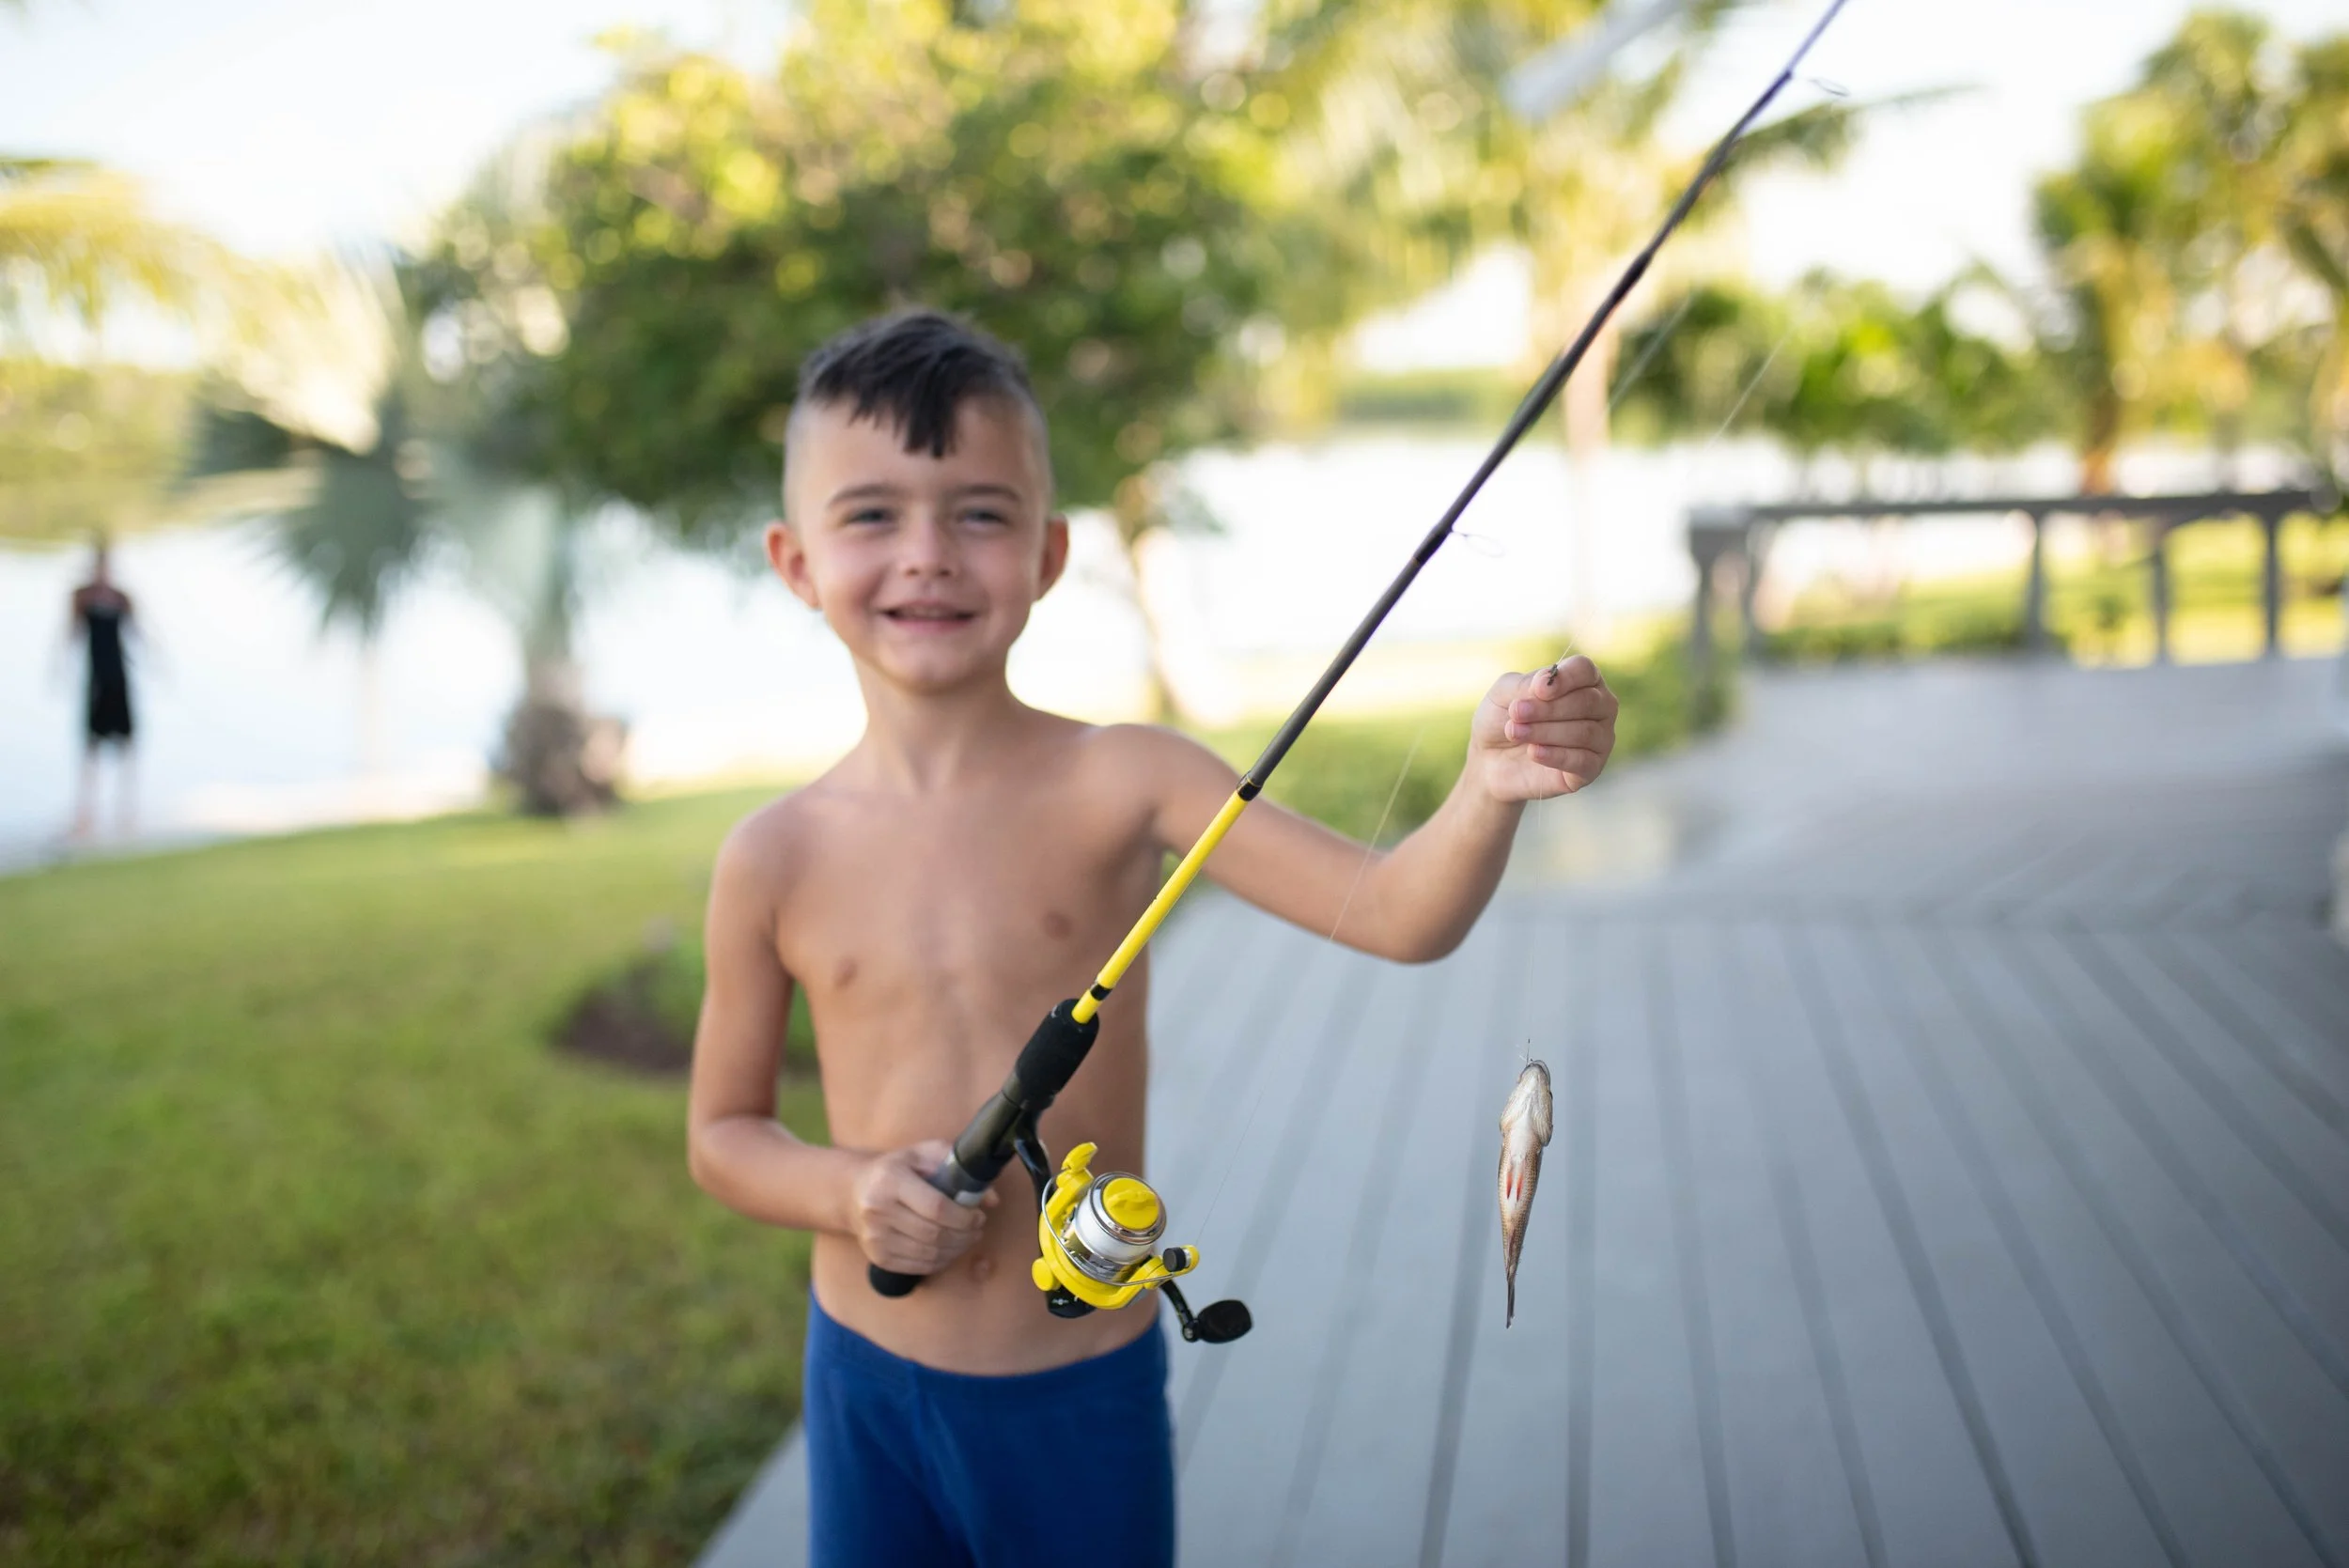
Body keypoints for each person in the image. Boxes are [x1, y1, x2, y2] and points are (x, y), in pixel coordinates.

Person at [687, 310, 1618, 1568]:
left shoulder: (1129, 778)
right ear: (795, 562)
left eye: (978, 511)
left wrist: (1484, 786)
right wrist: (848, 1193)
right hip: (864, 1383)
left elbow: (1400, 914)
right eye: (871, 516)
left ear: (1051, 551)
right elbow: (723, 1139)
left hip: (1076, 1392)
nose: (928, 555)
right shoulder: (771, 856)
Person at [66, 536, 139, 842]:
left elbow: (138, 633)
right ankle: (87, 815)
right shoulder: (82, 598)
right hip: (96, 680)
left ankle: (127, 813)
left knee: (127, 745)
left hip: (119, 677)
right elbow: (69, 634)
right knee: (91, 747)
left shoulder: (122, 598)